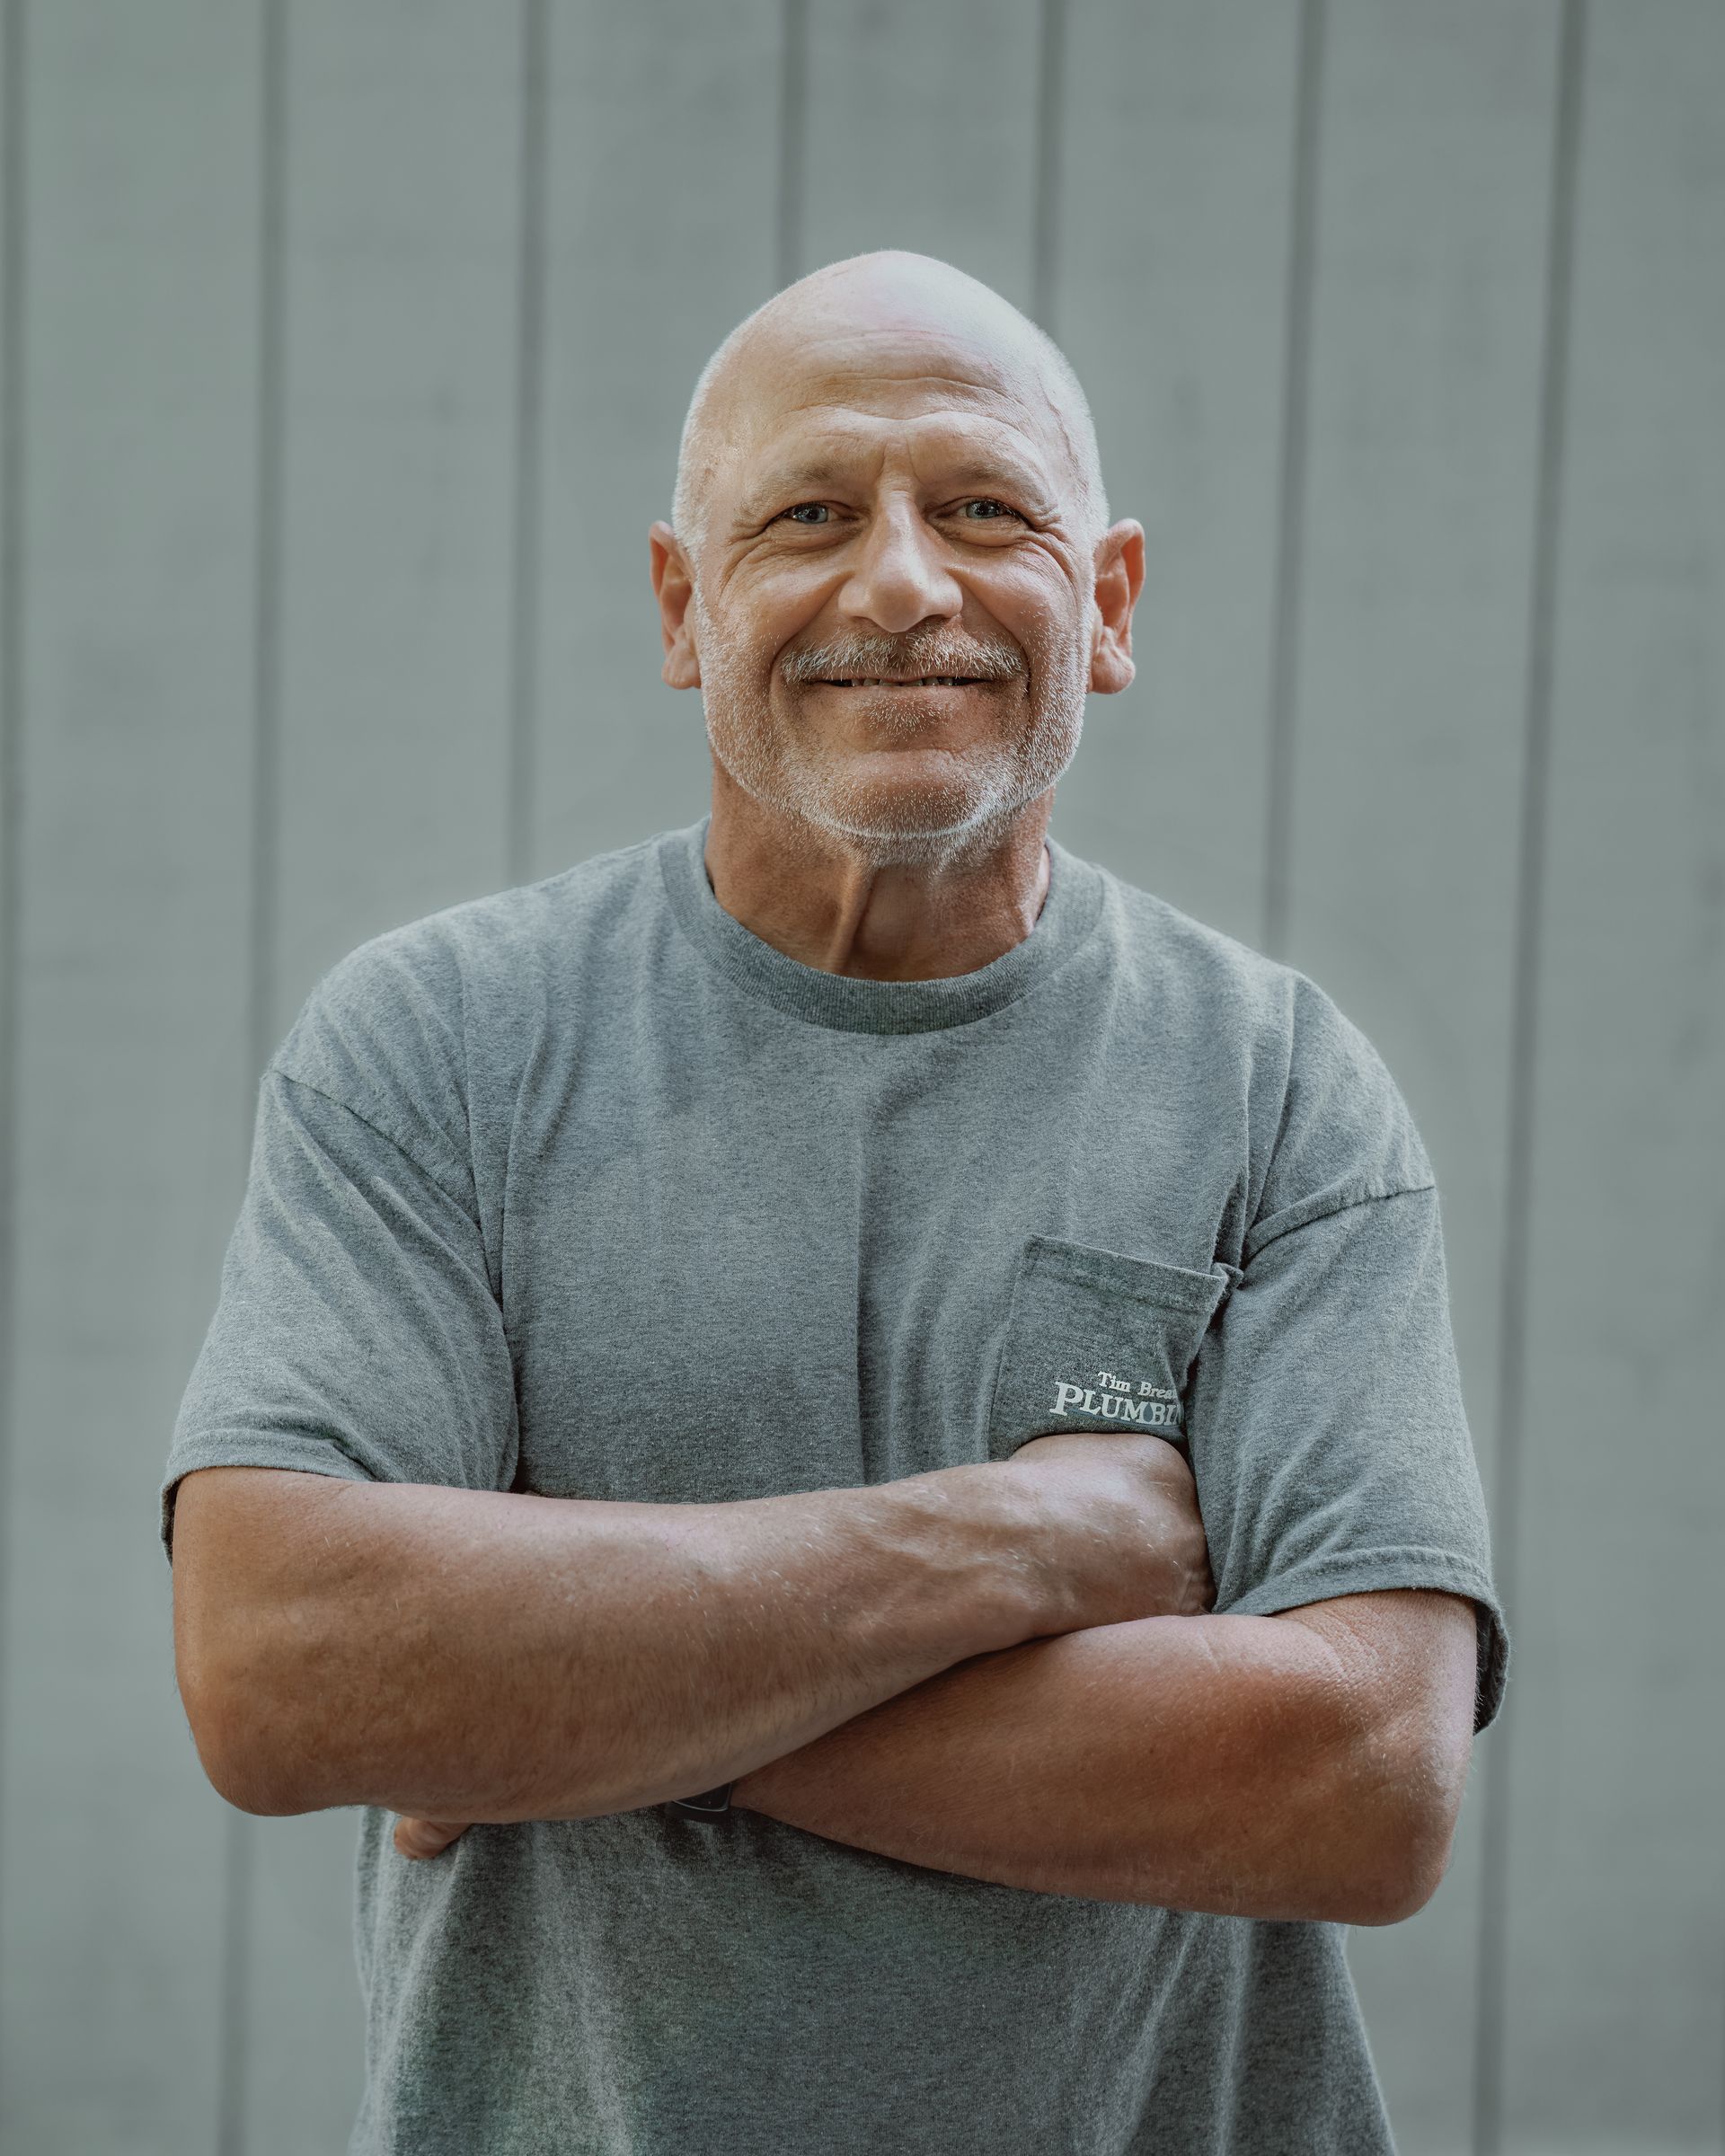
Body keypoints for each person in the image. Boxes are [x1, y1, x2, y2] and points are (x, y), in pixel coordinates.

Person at [161, 249, 1509, 2155]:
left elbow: (1363, 1781)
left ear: (1109, 604)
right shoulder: (439, 1046)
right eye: (807, 516)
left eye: (985, 511)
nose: (899, 585)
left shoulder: (1278, 1085)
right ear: (682, 606)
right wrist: (1032, 1543)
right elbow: (281, 1670)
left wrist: (566, 1708)